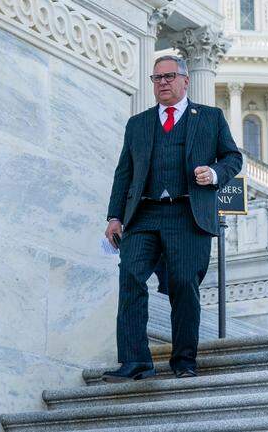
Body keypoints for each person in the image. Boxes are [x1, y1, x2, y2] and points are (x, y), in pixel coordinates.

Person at [102, 55, 242, 381]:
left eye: (168, 76)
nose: (162, 83)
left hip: (186, 213)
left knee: (183, 284)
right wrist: (113, 217)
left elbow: (233, 157)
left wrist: (215, 172)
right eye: (156, 78)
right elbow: (124, 174)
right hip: (144, 214)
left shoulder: (210, 118)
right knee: (131, 279)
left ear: (185, 80)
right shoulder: (137, 124)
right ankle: (136, 362)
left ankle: (184, 361)